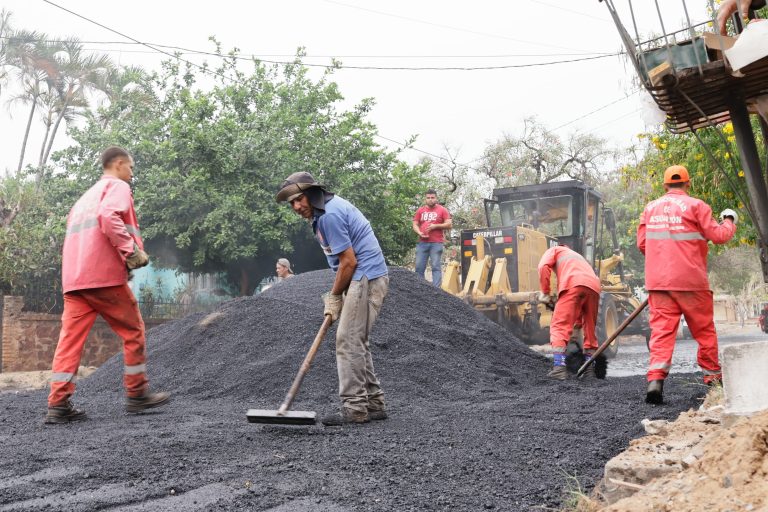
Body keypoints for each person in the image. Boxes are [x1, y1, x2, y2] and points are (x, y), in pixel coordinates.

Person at [45, 146, 170, 425]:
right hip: (102, 278)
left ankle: (58, 404)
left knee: (69, 342)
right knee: (133, 330)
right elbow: (108, 216)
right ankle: (137, 394)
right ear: (119, 164)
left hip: (75, 281)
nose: (132, 174)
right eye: (131, 168)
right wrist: (130, 252)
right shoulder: (117, 187)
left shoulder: (83, 199)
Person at [276, 171, 389, 426]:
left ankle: (354, 408)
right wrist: (339, 293)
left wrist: (335, 296)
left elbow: (349, 262)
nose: (296, 207)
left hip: (365, 276)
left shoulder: (330, 215)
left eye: (299, 199)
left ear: (312, 194)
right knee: (356, 340)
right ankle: (374, 403)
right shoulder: (323, 214)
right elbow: (344, 263)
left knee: (347, 340)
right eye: (292, 203)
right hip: (364, 276)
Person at [637, 165, 736, 404]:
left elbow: (642, 244)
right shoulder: (697, 206)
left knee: (661, 334)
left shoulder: (649, 209)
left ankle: (655, 382)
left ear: (665, 185)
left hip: (659, 283)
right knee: (704, 331)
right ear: (688, 183)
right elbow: (720, 236)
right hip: (691, 281)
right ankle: (713, 381)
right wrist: (729, 220)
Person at [537, 244, 602, 380]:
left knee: (558, 326)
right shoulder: (577, 257)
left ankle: (559, 369)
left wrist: (545, 292)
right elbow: (579, 304)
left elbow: (543, 266)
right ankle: (589, 370)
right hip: (594, 287)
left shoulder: (554, 250)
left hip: (573, 283)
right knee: (590, 330)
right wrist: (576, 326)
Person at [412, 189, 452, 286]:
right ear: (425, 199)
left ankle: (436, 290)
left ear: (436, 198)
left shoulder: (442, 210)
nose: (430, 199)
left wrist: (435, 226)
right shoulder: (420, 210)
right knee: (419, 267)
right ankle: (420, 288)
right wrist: (419, 232)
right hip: (422, 242)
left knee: (436, 267)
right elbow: (415, 224)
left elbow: (449, 224)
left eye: (432, 197)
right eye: (428, 198)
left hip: (436, 243)